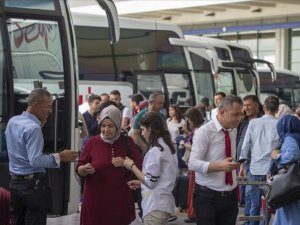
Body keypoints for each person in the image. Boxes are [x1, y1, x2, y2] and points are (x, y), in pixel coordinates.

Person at [5, 88, 77, 225]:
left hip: (14, 183)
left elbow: (20, 150)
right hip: (33, 187)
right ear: (36, 105)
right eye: (48, 106)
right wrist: (60, 157)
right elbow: (35, 160)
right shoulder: (34, 128)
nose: (50, 111)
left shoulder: (13, 121)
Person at [76, 105, 143, 225]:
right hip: (95, 201)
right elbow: (79, 168)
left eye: (111, 126)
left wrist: (125, 163)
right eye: (103, 125)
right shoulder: (92, 142)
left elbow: (139, 165)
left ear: (117, 125)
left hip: (120, 201)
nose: (106, 129)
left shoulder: (127, 141)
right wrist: (85, 169)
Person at [188, 95, 243, 225]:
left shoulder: (233, 129)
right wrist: (220, 166)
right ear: (222, 112)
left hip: (230, 195)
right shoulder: (204, 132)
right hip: (208, 196)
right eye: (235, 114)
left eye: (241, 114)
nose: (239, 118)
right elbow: (192, 163)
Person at [124, 111, 178, 225]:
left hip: (155, 206)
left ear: (151, 129)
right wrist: (140, 183)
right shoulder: (167, 146)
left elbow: (150, 181)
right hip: (163, 203)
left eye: (143, 129)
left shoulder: (156, 151)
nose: (142, 134)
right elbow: (160, 178)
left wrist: (132, 166)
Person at [239, 95, 280, 225]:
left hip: (255, 168)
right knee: (267, 205)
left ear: (264, 107)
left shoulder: (253, 122)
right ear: (277, 108)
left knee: (254, 204)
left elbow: (246, 144)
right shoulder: (279, 123)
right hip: (272, 170)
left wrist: (242, 162)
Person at [271, 115, 300, 225]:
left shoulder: (289, 138)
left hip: (289, 183)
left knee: (290, 212)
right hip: (294, 182)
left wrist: (276, 157)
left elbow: (292, 155)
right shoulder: (297, 136)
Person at [236, 95, 262, 208]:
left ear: (256, 106)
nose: (246, 108)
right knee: (246, 193)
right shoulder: (243, 121)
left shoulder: (262, 121)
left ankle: (253, 220)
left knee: (251, 191)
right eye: (244, 105)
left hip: (254, 162)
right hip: (241, 161)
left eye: (248, 105)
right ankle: (248, 219)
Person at [182, 107, 205, 223]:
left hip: (196, 165)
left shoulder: (199, 131)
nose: (188, 123)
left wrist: (185, 145)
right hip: (197, 165)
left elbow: (196, 149)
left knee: (193, 190)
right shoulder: (200, 129)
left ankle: (193, 213)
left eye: (189, 120)